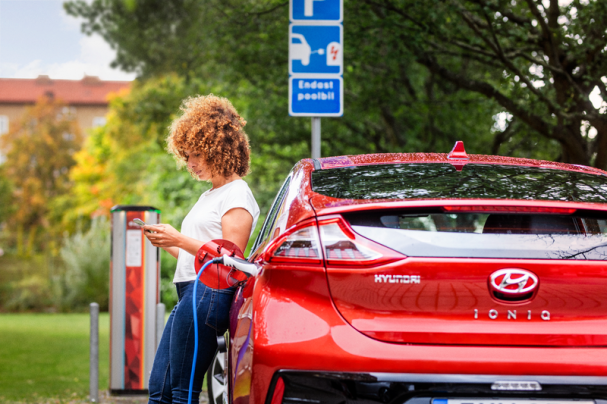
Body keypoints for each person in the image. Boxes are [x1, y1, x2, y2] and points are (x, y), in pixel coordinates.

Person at [144, 95, 260, 404]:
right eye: (186, 156)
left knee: (182, 392)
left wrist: (180, 239)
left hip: (208, 297)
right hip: (191, 294)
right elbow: (198, 256)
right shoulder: (210, 195)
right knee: (160, 389)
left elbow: (229, 261)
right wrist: (169, 243)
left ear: (218, 149)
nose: (190, 164)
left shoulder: (237, 194)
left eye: (196, 155)